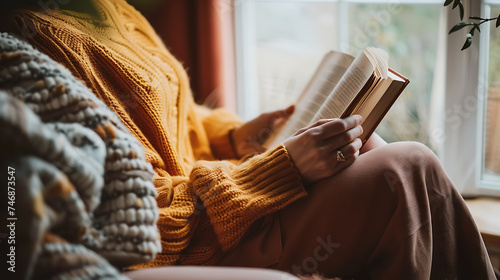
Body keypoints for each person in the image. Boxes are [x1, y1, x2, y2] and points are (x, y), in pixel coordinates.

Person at [3, 0, 496, 279]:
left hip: (222, 199)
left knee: (375, 150)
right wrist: (281, 168)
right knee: (404, 168)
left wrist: (239, 136)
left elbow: (177, 117)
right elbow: (132, 213)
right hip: (198, 237)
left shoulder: (114, 10)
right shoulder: (37, 38)